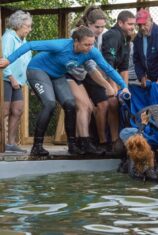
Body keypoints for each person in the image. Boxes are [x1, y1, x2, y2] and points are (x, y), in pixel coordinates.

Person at [0, 26, 130, 156]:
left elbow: (108, 68)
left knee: (70, 104)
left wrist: (123, 86)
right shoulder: (61, 45)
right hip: (37, 70)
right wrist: (8, 60)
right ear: (76, 41)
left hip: (57, 75)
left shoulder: (91, 51)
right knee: (49, 103)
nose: (90, 48)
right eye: (86, 44)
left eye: (92, 44)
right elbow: (30, 45)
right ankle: (37, 146)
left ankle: (73, 146)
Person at [85, 10, 135, 152]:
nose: (132, 27)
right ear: (120, 23)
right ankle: (103, 141)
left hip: (106, 74)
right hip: (94, 74)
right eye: (130, 24)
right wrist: (112, 88)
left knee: (115, 103)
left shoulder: (127, 39)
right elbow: (108, 65)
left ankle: (115, 141)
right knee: (107, 103)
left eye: (133, 24)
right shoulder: (113, 35)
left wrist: (125, 88)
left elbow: (123, 68)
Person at [67, 6, 114, 154]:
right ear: (88, 24)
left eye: (102, 27)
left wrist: (110, 81)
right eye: (97, 27)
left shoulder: (103, 36)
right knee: (83, 105)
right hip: (75, 73)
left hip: (91, 71)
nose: (100, 30)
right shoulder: (77, 34)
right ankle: (79, 142)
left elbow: (98, 62)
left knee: (100, 103)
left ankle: (97, 141)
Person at [2, 10, 32, 153]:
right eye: (27, 26)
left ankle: (11, 144)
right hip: (6, 80)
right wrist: (11, 78)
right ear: (19, 25)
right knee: (4, 111)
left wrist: (30, 83)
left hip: (19, 81)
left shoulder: (23, 40)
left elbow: (27, 62)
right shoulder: (8, 37)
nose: (29, 29)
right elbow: (3, 59)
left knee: (18, 110)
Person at [133, 9, 158, 88]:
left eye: (144, 24)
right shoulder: (138, 38)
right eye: (139, 25)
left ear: (151, 20)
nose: (142, 28)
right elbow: (137, 60)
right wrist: (142, 76)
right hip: (150, 81)